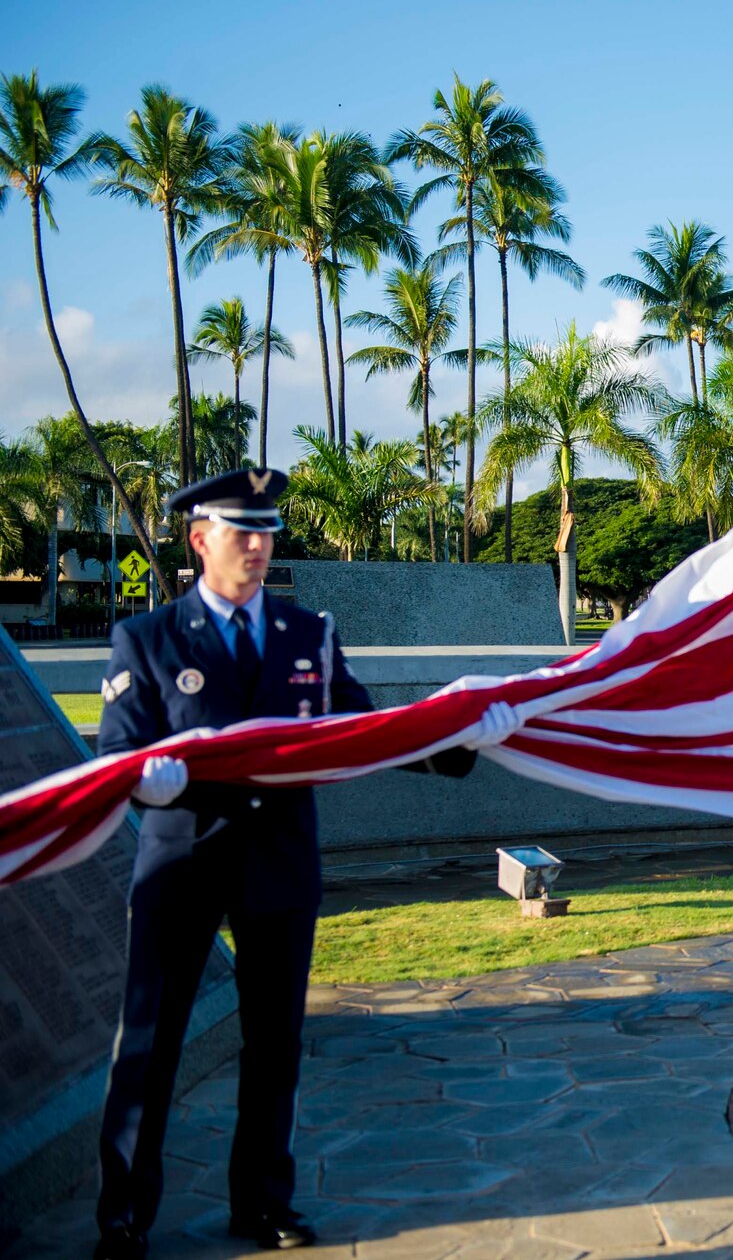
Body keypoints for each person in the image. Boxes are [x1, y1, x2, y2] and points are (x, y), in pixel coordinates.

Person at [92, 469, 520, 1260]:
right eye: (241, 532)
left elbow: (370, 730)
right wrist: (143, 781)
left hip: (278, 868)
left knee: (275, 1044)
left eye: (268, 531)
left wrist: (461, 737)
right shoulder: (147, 639)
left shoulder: (305, 636)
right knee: (150, 1047)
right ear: (200, 539)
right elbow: (116, 753)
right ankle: (123, 1215)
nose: (259, 546)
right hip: (182, 867)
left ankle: (263, 1202)